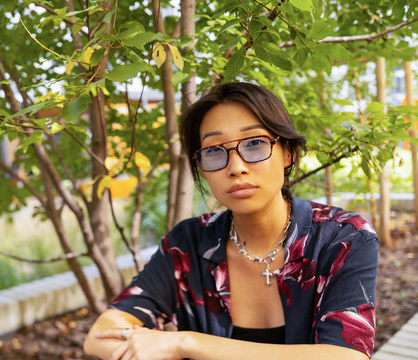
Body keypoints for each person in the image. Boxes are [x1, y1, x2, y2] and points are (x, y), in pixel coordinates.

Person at [83, 82, 378, 360]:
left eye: (254, 143)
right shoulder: (188, 244)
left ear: (287, 152)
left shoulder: (343, 238)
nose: (236, 167)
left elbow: (346, 354)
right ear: (201, 168)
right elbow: (98, 335)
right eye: (214, 151)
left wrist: (185, 342)